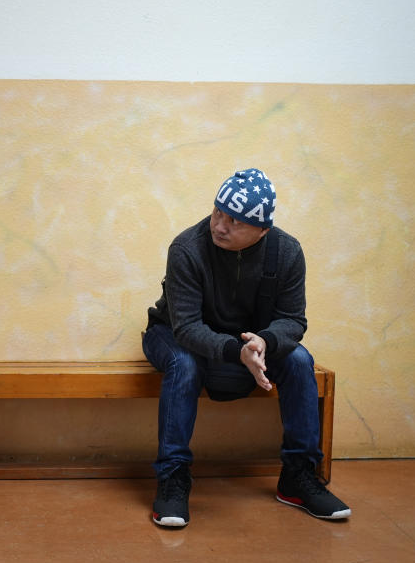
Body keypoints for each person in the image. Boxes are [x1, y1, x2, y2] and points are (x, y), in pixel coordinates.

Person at [143, 168, 350, 528]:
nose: (220, 226)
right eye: (218, 212)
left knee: (300, 361)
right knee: (185, 364)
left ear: (263, 230)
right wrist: (237, 351)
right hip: (174, 335)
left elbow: (292, 320)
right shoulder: (186, 249)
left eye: (235, 221)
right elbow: (188, 327)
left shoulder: (286, 252)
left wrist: (264, 343)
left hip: (250, 343)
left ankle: (297, 478)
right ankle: (173, 478)